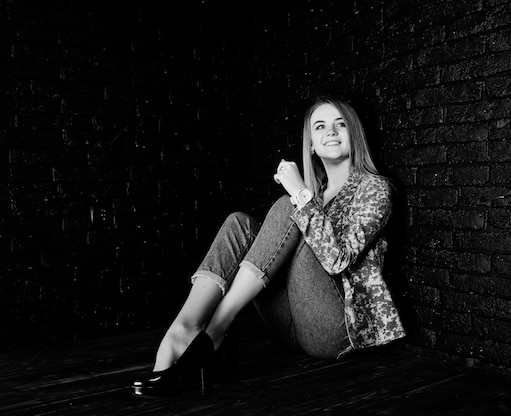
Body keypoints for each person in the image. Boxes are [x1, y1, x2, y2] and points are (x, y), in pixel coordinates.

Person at [131, 97, 406, 398]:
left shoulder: (375, 189)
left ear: (355, 134)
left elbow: (338, 259)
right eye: (320, 126)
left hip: (334, 332)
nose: (331, 131)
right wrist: (305, 197)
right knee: (240, 224)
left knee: (286, 207)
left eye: (341, 124)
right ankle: (183, 329)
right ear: (311, 144)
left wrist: (300, 193)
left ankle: (216, 329)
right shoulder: (318, 193)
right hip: (287, 327)